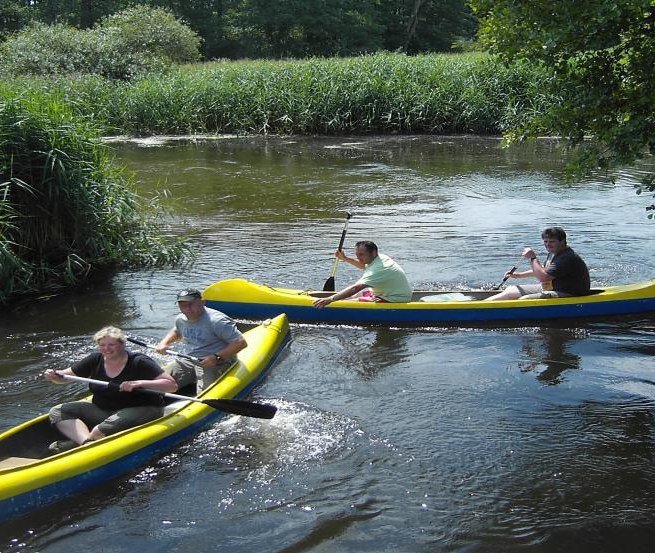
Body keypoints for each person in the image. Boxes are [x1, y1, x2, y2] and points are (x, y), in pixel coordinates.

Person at [44, 326, 177, 454]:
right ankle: (87, 444)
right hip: (105, 410)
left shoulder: (139, 361)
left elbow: (171, 386)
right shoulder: (95, 359)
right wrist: (55, 375)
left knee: (98, 431)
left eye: (111, 344)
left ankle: (83, 444)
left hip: (144, 408)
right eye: (102, 345)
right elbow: (65, 377)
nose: (106, 349)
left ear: (122, 344)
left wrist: (138, 383)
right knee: (58, 411)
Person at [156, 288, 247, 394]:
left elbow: (240, 343)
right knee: (157, 381)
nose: (187, 309)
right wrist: (164, 343)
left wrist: (216, 357)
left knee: (205, 393)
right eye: (183, 305)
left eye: (191, 304)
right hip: (188, 359)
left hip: (217, 362)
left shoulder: (217, 321)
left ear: (202, 302)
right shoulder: (180, 319)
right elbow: (177, 331)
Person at [485, 227, 590, 301]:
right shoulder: (554, 253)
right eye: (546, 241)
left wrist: (533, 258)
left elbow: (544, 277)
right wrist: (519, 275)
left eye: (552, 241)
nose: (548, 244)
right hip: (553, 288)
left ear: (562, 241)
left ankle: (486, 308)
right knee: (512, 290)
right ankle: (484, 304)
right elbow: (543, 269)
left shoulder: (566, 257)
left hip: (569, 293)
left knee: (524, 299)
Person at [313, 241, 412, 307]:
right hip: (383, 293)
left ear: (373, 253)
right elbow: (363, 265)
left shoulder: (379, 268)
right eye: (357, 255)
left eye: (361, 255)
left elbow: (356, 288)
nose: (359, 258)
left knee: (346, 302)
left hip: (394, 299)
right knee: (348, 296)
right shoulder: (379, 258)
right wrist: (345, 258)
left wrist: (330, 299)